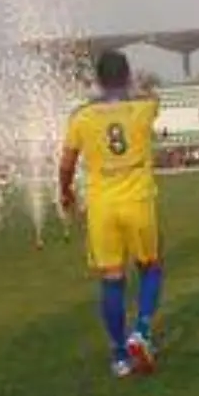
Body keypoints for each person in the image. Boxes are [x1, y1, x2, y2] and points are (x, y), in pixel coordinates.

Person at [59, 49, 165, 378]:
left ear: (98, 79)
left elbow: (66, 164)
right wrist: (132, 86)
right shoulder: (144, 107)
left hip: (102, 205)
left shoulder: (81, 116)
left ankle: (120, 356)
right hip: (137, 200)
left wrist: (65, 191)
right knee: (151, 266)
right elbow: (151, 92)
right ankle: (142, 329)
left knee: (112, 278)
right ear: (127, 75)